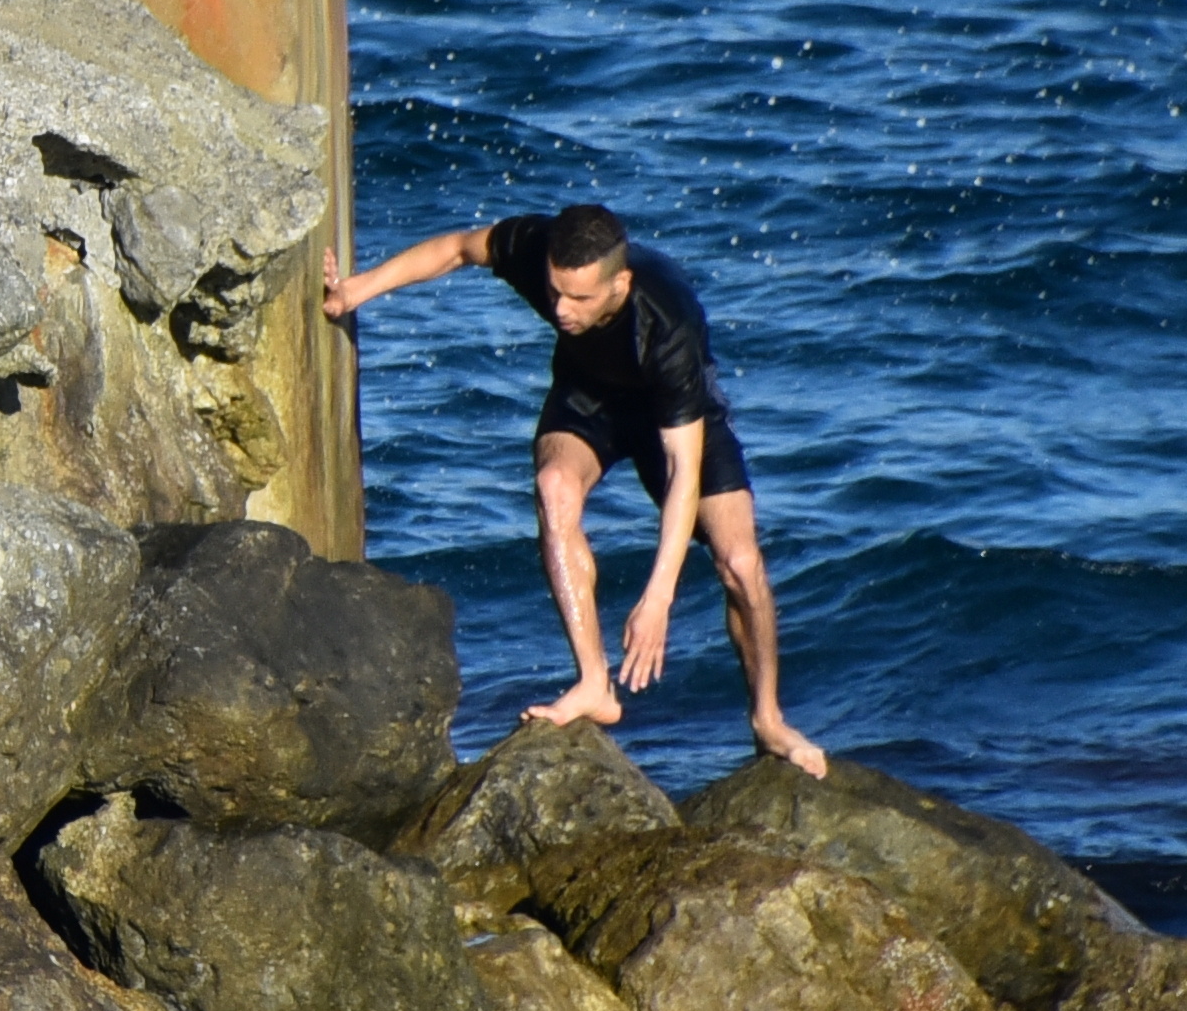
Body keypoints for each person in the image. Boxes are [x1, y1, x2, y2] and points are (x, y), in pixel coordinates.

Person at [326, 201, 827, 776]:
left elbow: (682, 471)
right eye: (555, 293)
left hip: (676, 420)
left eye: (581, 299)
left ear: (621, 283)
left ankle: (767, 717)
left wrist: (657, 597)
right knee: (555, 486)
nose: (562, 310)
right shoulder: (541, 248)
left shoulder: (666, 327)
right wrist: (356, 290)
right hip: (590, 398)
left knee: (739, 562)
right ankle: (594, 681)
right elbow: (457, 248)